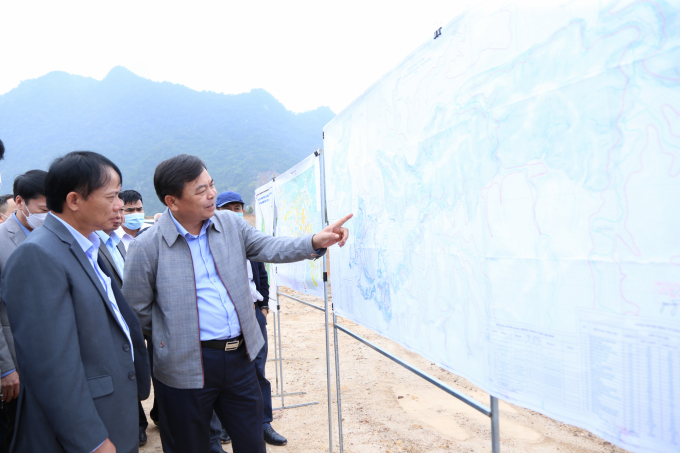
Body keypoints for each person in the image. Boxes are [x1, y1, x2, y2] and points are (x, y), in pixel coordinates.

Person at [123, 154, 351, 453]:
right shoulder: (147, 246)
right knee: (189, 445)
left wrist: (314, 241)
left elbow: (269, 247)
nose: (212, 194)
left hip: (239, 358)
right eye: (200, 190)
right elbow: (137, 310)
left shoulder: (230, 224)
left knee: (251, 442)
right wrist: (174, 338)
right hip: (185, 365)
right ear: (173, 201)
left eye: (211, 185)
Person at [0, 151, 150, 452]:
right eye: (112, 196)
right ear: (74, 201)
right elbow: (52, 367)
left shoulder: (88, 245)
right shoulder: (38, 255)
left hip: (112, 410)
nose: (120, 205)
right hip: (86, 431)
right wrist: (91, 441)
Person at [216, 191, 286, 446]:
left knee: (258, 370)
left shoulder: (251, 241)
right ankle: (225, 425)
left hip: (254, 313)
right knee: (227, 373)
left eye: (239, 207)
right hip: (228, 317)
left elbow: (262, 276)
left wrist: (264, 308)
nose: (236, 212)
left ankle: (264, 423)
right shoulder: (213, 242)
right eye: (229, 208)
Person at [0, 170, 48, 452]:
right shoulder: (2, 242)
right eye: (43, 209)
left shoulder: (57, 235)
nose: (49, 215)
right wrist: (6, 368)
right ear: (20, 201)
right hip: (17, 361)